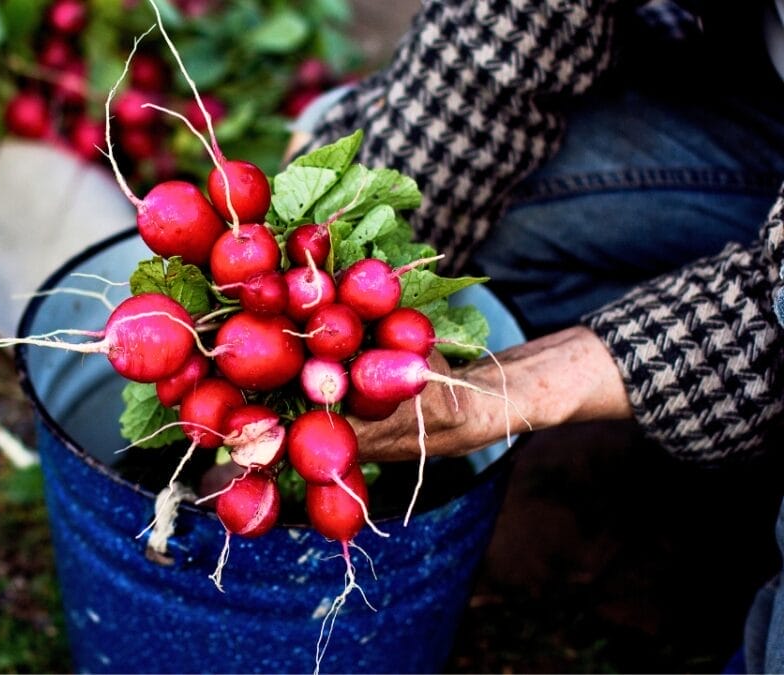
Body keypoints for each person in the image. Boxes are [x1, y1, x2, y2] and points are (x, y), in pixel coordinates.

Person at [289, 0, 783, 670]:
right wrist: (347, 238)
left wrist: (508, 390)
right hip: (762, 113)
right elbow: (514, 26)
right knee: (466, 207)